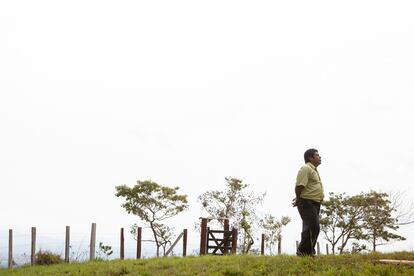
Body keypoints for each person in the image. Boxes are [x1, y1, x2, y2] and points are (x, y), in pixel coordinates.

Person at [292, 148, 324, 256]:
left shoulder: (314, 170)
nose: (320, 157)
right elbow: (299, 185)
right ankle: (303, 252)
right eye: (317, 155)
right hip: (306, 202)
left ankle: (308, 252)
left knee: (313, 227)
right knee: (312, 227)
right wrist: (298, 198)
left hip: (315, 203)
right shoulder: (306, 168)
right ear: (311, 158)